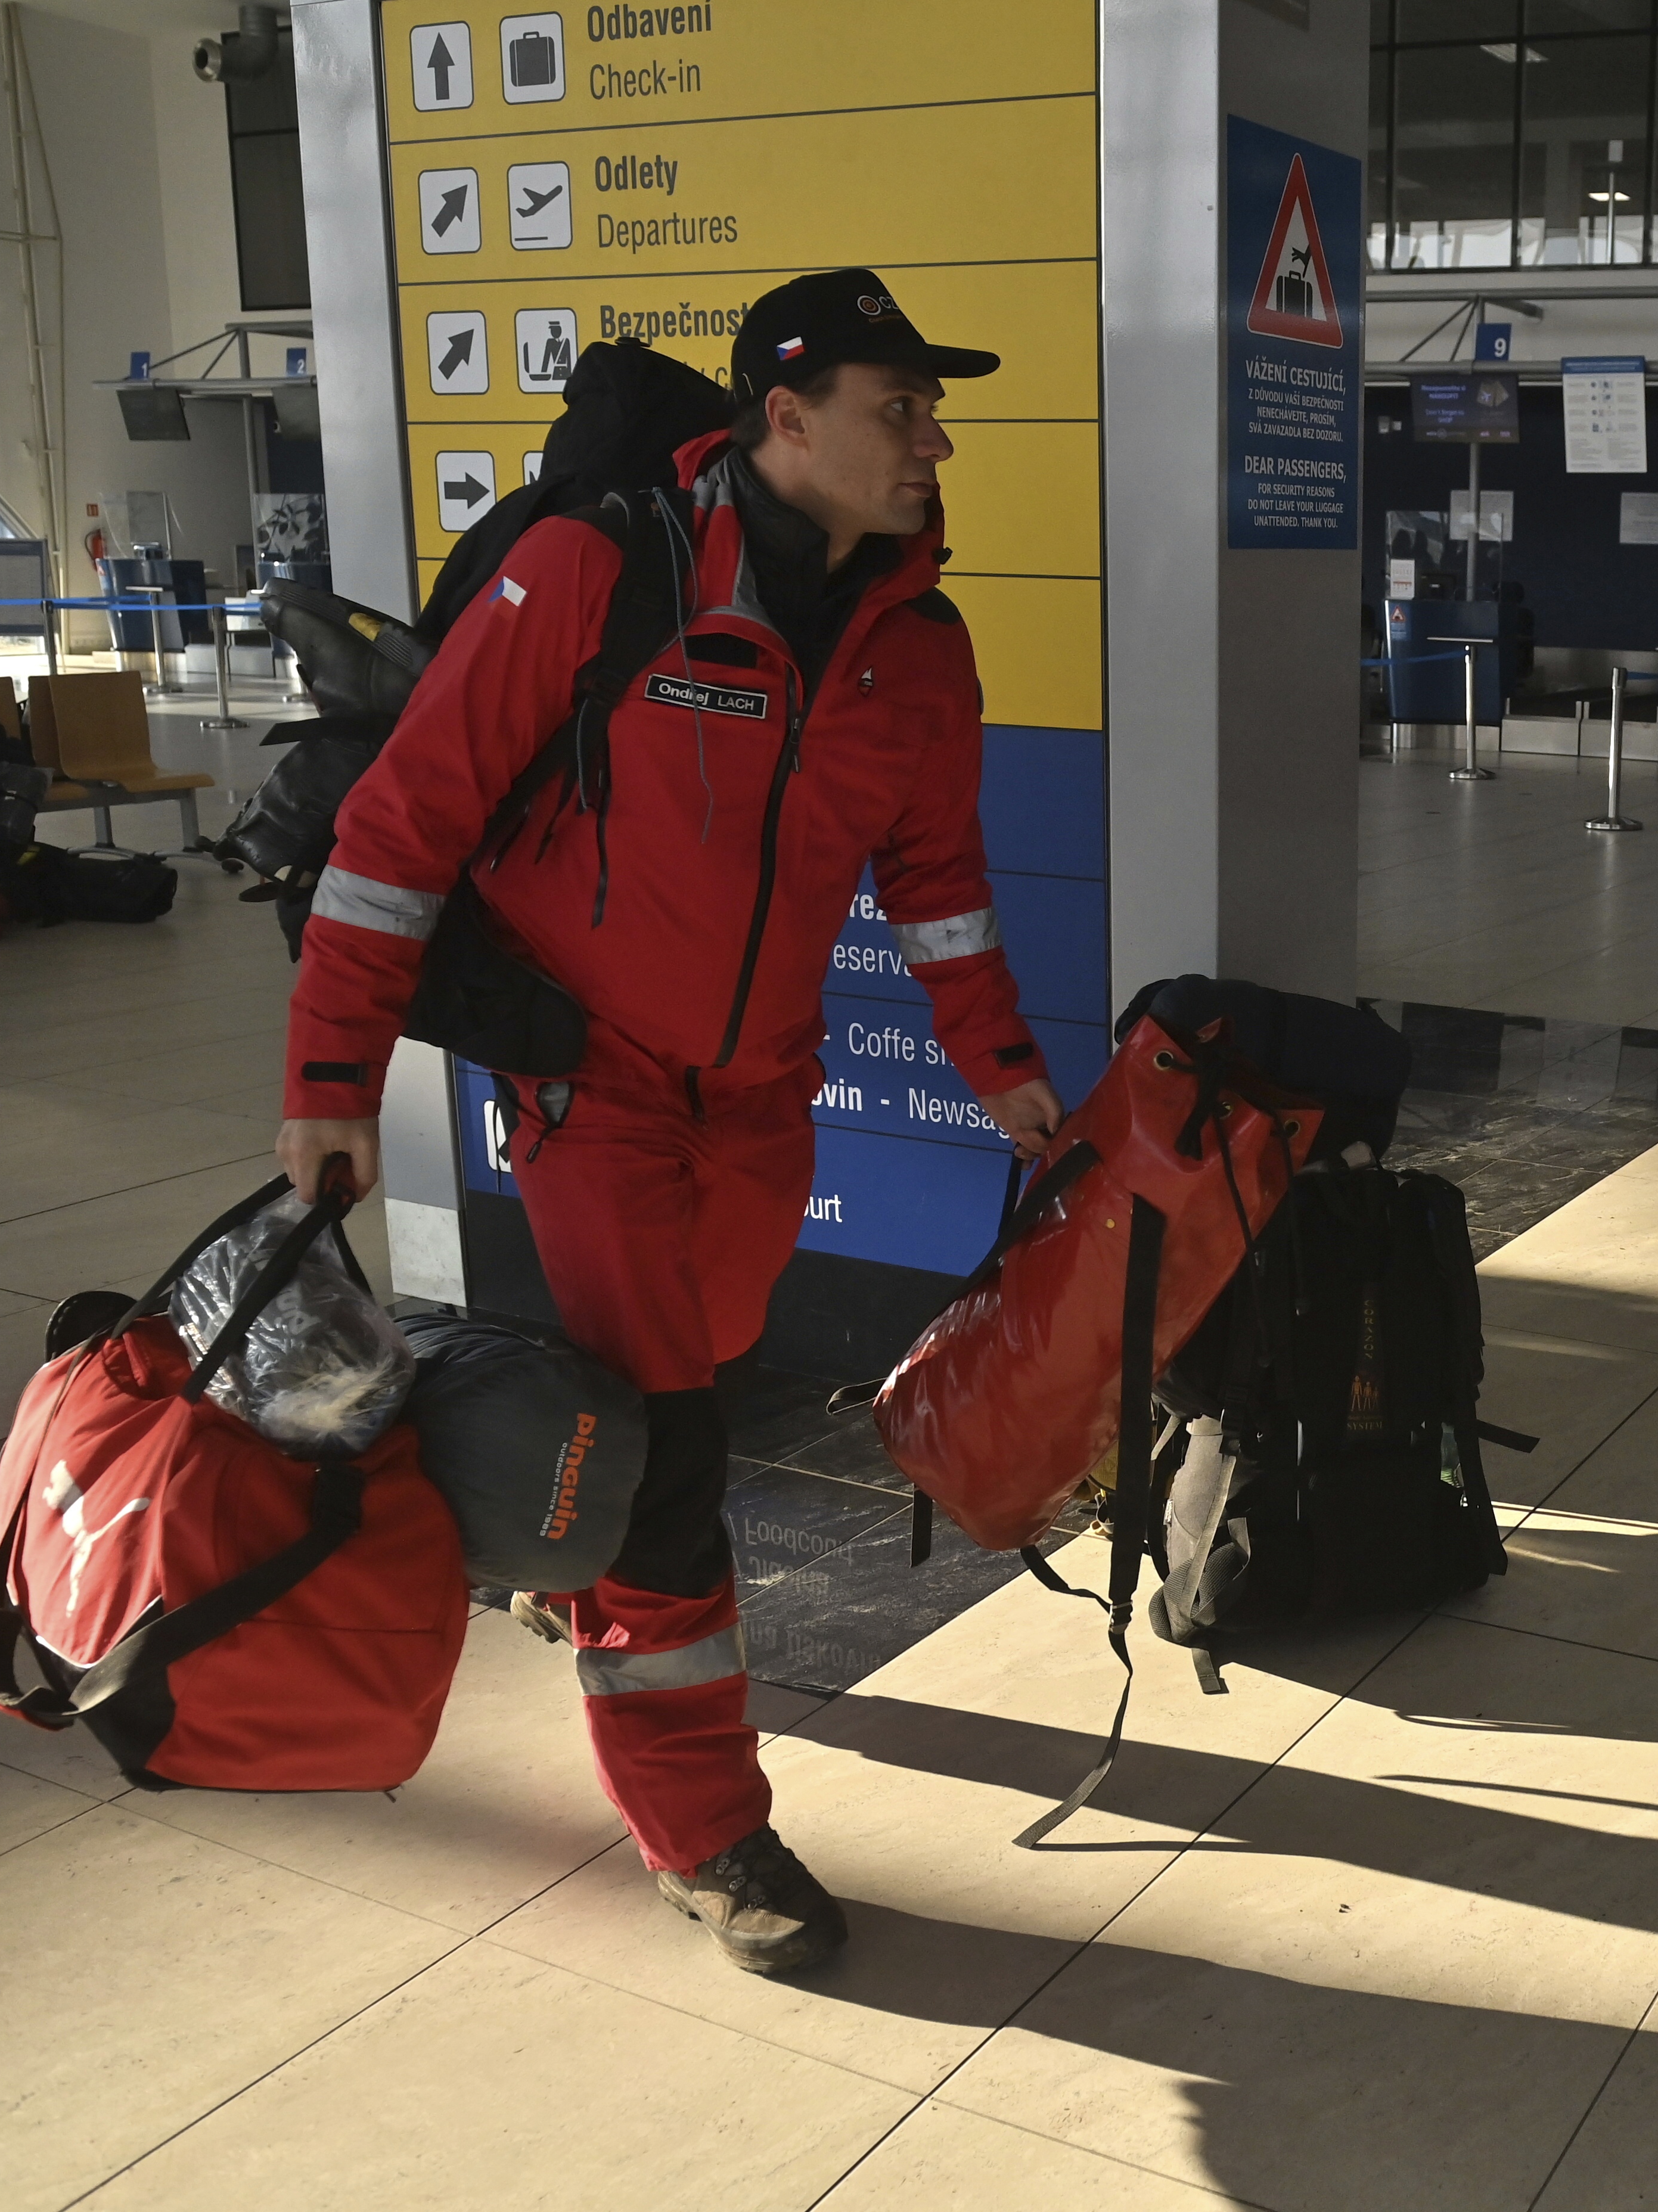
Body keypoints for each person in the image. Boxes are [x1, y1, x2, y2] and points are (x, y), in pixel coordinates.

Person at [275, 269, 1062, 1974]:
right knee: (667, 1462)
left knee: (695, 1369)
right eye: (896, 408)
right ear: (786, 419)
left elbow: (936, 887)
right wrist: (332, 1080)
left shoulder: (919, 646)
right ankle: (706, 1830)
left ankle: (586, 1566)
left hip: (762, 1104)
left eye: (935, 408)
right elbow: (403, 829)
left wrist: (997, 1063)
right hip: (595, 1089)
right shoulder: (601, 572)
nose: (932, 440)